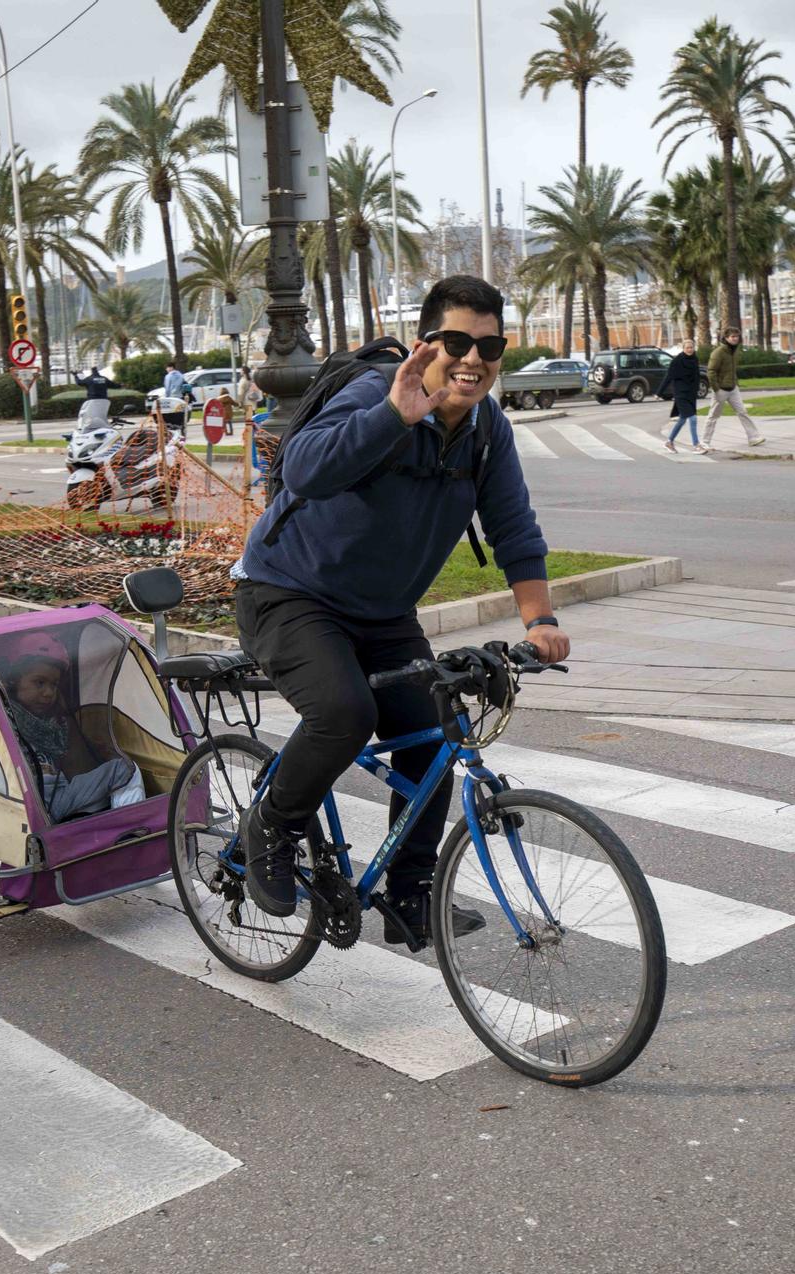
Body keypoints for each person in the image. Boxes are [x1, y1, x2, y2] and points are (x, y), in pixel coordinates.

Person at [232, 274, 569, 949]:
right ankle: (269, 826)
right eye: (456, 342)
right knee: (345, 712)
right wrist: (392, 415)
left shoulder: (485, 429)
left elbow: (514, 528)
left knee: (435, 729)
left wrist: (539, 621)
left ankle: (410, 894)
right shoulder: (370, 395)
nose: (473, 358)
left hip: (383, 613)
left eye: (489, 345)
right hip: (288, 593)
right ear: (427, 343)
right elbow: (302, 470)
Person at [2, 652, 144, 820]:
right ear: (13, 682)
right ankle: (129, 827)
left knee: (125, 769)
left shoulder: (53, 723)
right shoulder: (2, 719)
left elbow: (75, 766)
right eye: (39, 683)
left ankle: (127, 828)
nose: (48, 693)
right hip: (26, 805)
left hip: (61, 795)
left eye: (54, 685)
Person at [702, 327, 765, 448]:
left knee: (742, 412)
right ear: (726, 338)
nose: (735, 339)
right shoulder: (718, 352)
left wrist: (735, 382)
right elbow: (711, 372)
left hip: (733, 388)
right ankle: (704, 443)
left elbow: (732, 369)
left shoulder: (735, 351)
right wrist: (716, 390)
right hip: (721, 390)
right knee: (713, 416)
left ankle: (753, 437)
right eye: (733, 337)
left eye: (737, 336)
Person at [657, 338, 703, 454]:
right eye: (687, 348)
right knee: (693, 418)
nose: (689, 350)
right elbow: (668, 377)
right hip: (680, 394)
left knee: (682, 420)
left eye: (691, 347)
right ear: (683, 349)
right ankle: (696, 445)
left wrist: (697, 389)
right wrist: (659, 392)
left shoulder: (694, 359)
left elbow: (696, 376)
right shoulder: (677, 361)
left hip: (691, 394)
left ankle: (669, 442)